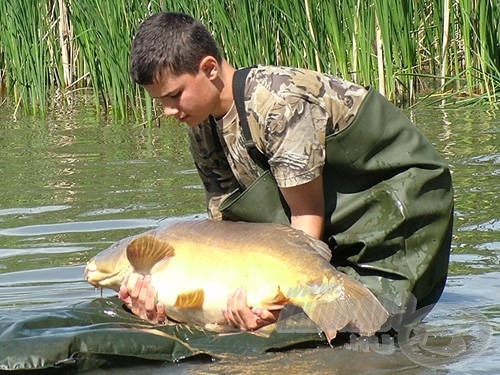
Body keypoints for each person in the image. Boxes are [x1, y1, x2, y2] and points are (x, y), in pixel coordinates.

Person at [119, 11, 454, 334]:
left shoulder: (277, 102)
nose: (167, 111)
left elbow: (306, 216)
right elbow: (228, 234)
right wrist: (179, 306)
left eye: (174, 96)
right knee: (259, 328)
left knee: (374, 329)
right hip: (322, 232)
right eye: (160, 101)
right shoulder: (201, 130)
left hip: (396, 205)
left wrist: (277, 302)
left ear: (209, 69)